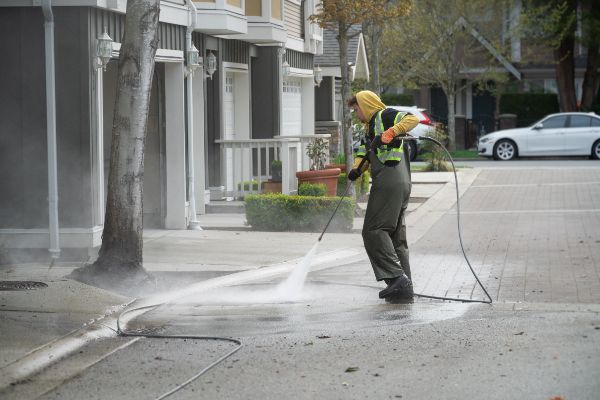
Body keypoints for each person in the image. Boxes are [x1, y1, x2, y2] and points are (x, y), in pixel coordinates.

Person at [347, 90, 419, 302]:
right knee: (396, 238)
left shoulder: (384, 115)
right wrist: (356, 169)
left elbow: (412, 119)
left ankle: (397, 278)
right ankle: (404, 291)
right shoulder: (369, 128)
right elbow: (365, 152)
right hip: (402, 182)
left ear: (366, 105)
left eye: (357, 109)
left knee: (373, 230)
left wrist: (391, 133)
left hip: (390, 179)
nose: (356, 114)